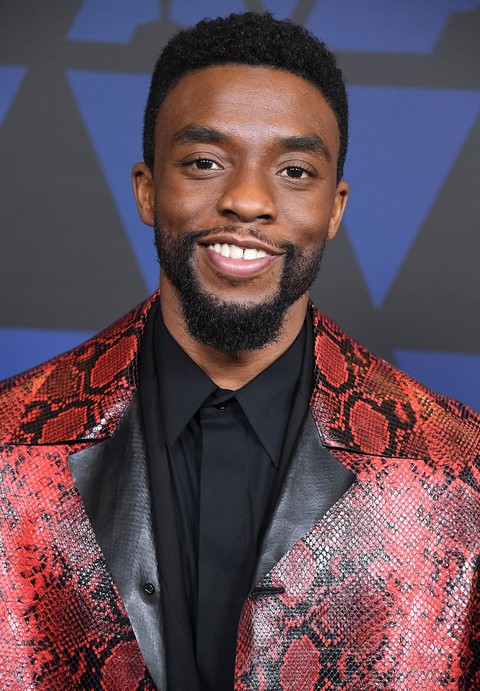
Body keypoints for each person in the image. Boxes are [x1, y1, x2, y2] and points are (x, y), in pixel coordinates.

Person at [0, 11, 478, 691]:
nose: (248, 200)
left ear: (334, 209)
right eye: (205, 162)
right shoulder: (11, 440)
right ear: (147, 190)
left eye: (295, 170)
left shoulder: (458, 471)